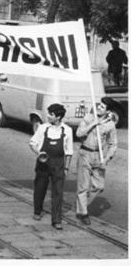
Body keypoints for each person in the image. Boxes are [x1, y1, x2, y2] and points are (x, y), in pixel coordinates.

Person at [29, 103, 73, 230]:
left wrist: (66, 168)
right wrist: (38, 152)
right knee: (40, 187)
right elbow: (32, 143)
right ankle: (37, 210)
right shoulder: (43, 128)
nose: (48, 116)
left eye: (51, 114)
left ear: (58, 117)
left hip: (58, 164)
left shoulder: (67, 130)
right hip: (43, 162)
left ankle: (56, 219)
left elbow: (69, 152)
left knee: (58, 192)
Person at [75, 97, 118, 226]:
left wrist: (107, 158)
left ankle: (81, 205)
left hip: (99, 157)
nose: (99, 108)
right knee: (83, 186)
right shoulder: (88, 118)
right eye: (99, 105)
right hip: (85, 154)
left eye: (103, 107)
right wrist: (93, 124)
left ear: (108, 111)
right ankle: (83, 213)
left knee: (99, 186)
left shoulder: (110, 124)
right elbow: (79, 133)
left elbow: (113, 144)